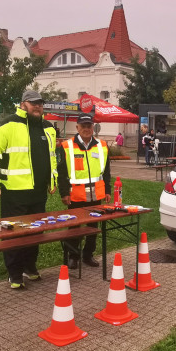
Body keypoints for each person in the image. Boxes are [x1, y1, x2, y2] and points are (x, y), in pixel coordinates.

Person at [0, 89, 58, 289]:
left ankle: (29, 266)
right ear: (23, 104)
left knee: (36, 232)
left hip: (38, 191)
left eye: (40, 103)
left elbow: (52, 157)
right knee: (14, 232)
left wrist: (53, 181)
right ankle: (14, 273)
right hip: (14, 191)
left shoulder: (48, 128)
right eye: (33, 103)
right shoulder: (6, 125)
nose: (38, 106)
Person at [56, 113, 111, 269]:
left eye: (89, 126)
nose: (86, 129)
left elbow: (106, 171)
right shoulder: (66, 146)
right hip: (75, 195)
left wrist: (107, 190)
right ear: (77, 127)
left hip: (96, 194)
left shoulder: (102, 145)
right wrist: (64, 193)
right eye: (83, 126)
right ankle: (73, 256)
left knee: (93, 227)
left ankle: (88, 255)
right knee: (74, 227)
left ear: (93, 127)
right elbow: (61, 172)